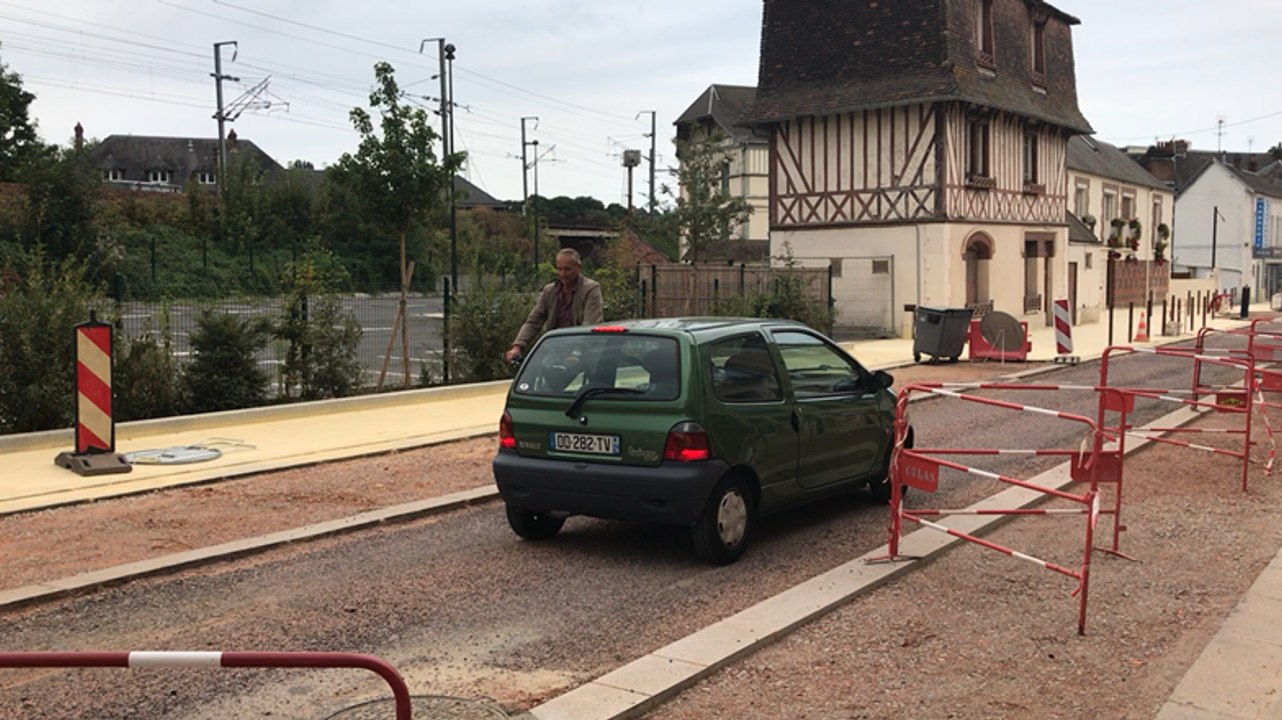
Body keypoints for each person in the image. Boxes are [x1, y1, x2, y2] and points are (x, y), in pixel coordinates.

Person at [505, 248, 604, 363]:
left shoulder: (591, 289)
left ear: (578, 267)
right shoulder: (550, 291)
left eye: (567, 269)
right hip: (557, 350)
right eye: (559, 269)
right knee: (539, 367)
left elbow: (590, 325)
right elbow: (534, 321)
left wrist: (576, 353)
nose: (563, 274)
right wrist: (518, 346)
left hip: (584, 351)